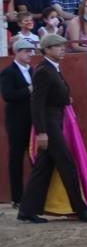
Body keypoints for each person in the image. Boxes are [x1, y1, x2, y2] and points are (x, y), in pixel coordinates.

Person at [18, 34, 87, 223]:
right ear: (47, 50)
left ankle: (26, 210)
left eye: (63, 46)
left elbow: (51, 97)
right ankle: (80, 210)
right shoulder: (44, 71)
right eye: (57, 46)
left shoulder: (51, 69)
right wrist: (41, 131)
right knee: (67, 164)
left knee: (44, 167)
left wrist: (65, 99)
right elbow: (36, 103)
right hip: (50, 123)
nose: (62, 48)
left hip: (55, 120)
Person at [2, 38, 37, 208]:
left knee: (35, 156)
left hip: (32, 118)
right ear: (16, 52)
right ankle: (17, 197)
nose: (30, 54)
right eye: (26, 51)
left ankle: (35, 194)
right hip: (16, 120)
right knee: (16, 156)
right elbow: (8, 95)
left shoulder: (32, 70)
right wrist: (28, 90)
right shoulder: (8, 72)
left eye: (31, 51)